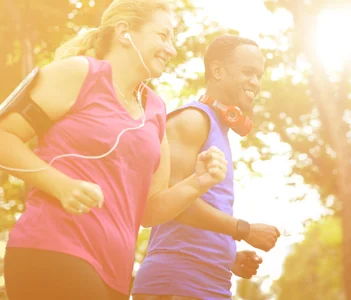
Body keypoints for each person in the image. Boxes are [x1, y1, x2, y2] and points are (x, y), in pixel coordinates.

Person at [0, 1, 228, 300]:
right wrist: (62, 186)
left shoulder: (155, 110)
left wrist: (197, 183)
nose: (171, 49)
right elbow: (4, 137)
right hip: (52, 251)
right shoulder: (81, 74)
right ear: (124, 32)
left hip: (115, 278)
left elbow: (149, 209)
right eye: (163, 35)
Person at [132, 35, 281, 300]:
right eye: (248, 72)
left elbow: (205, 206)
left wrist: (227, 256)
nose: (255, 83)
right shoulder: (193, 119)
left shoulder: (218, 129)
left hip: (211, 283)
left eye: (259, 75)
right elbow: (170, 204)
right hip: (177, 282)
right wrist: (244, 230)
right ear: (217, 70)